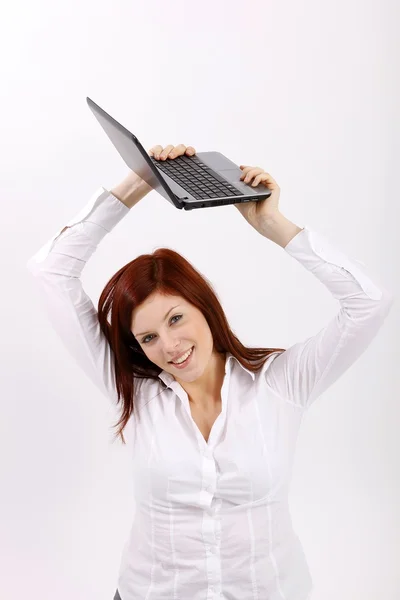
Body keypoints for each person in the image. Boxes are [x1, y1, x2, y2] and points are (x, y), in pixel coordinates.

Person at [27, 143, 394, 600]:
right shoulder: (135, 393)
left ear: (204, 306)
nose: (171, 346)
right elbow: (51, 271)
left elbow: (369, 304)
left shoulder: (281, 382)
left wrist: (273, 225)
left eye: (176, 318)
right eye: (149, 338)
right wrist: (141, 179)